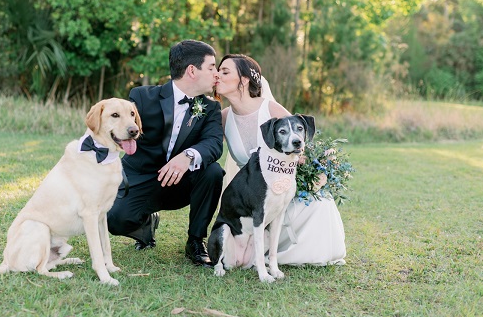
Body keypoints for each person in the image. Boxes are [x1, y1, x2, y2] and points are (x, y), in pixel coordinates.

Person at [214, 54, 346, 266]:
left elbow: (302, 146)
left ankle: (287, 252)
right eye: (217, 71)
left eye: (225, 71)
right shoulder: (224, 117)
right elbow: (209, 148)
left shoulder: (270, 109)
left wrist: (320, 169)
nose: (217, 75)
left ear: (244, 79)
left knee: (318, 204)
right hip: (251, 197)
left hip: (281, 188)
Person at [107, 40, 224, 267]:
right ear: (192, 70)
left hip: (182, 182)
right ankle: (146, 226)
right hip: (141, 178)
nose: (216, 74)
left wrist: (187, 156)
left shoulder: (210, 108)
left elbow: (213, 143)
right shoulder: (141, 97)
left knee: (213, 171)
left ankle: (195, 240)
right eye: (211, 67)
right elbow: (118, 124)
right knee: (114, 220)